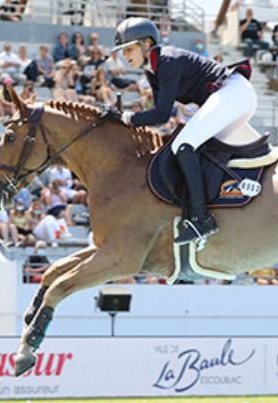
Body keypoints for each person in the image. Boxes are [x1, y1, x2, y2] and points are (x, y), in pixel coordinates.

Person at [108, 17, 257, 247]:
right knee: (200, 152)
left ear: (147, 44)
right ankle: (226, 202)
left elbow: (161, 115)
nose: (125, 56)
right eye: (123, 51)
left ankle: (201, 218)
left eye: (129, 49)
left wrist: (127, 118)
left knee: (183, 146)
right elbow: (160, 114)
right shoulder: (153, 71)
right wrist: (128, 118)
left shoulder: (167, 60)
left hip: (233, 93)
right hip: (235, 97)